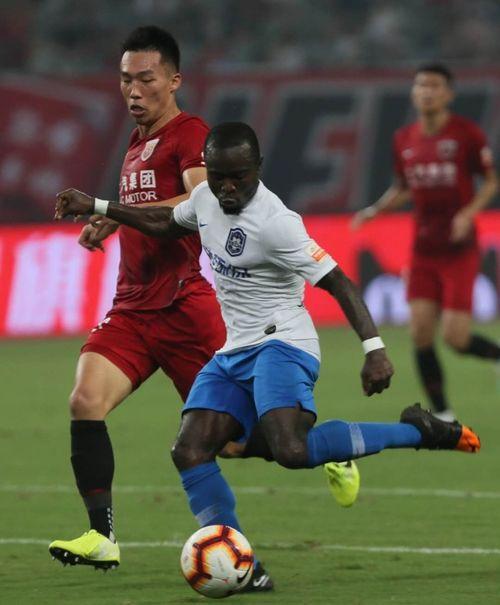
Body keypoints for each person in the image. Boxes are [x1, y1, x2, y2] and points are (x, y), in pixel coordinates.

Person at [54, 122, 480, 568]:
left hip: (284, 344)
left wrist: (374, 349)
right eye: (218, 176)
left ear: (258, 167)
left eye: (238, 176)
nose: (227, 187)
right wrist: (99, 206)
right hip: (234, 349)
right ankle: (243, 567)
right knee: (190, 450)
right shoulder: (205, 198)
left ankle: (418, 431)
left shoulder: (277, 224)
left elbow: (339, 282)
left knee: (291, 450)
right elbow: (165, 222)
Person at [352, 64, 499, 422]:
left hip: (459, 249)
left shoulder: (466, 134)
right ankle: (444, 415)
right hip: (423, 250)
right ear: (414, 93)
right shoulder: (404, 138)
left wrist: (467, 214)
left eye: (434, 86)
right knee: (419, 333)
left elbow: (491, 182)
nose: (427, 91)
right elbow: (403, 187)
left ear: (448, 94)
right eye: (421, 85)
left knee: (456, 338)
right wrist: (374, 210)